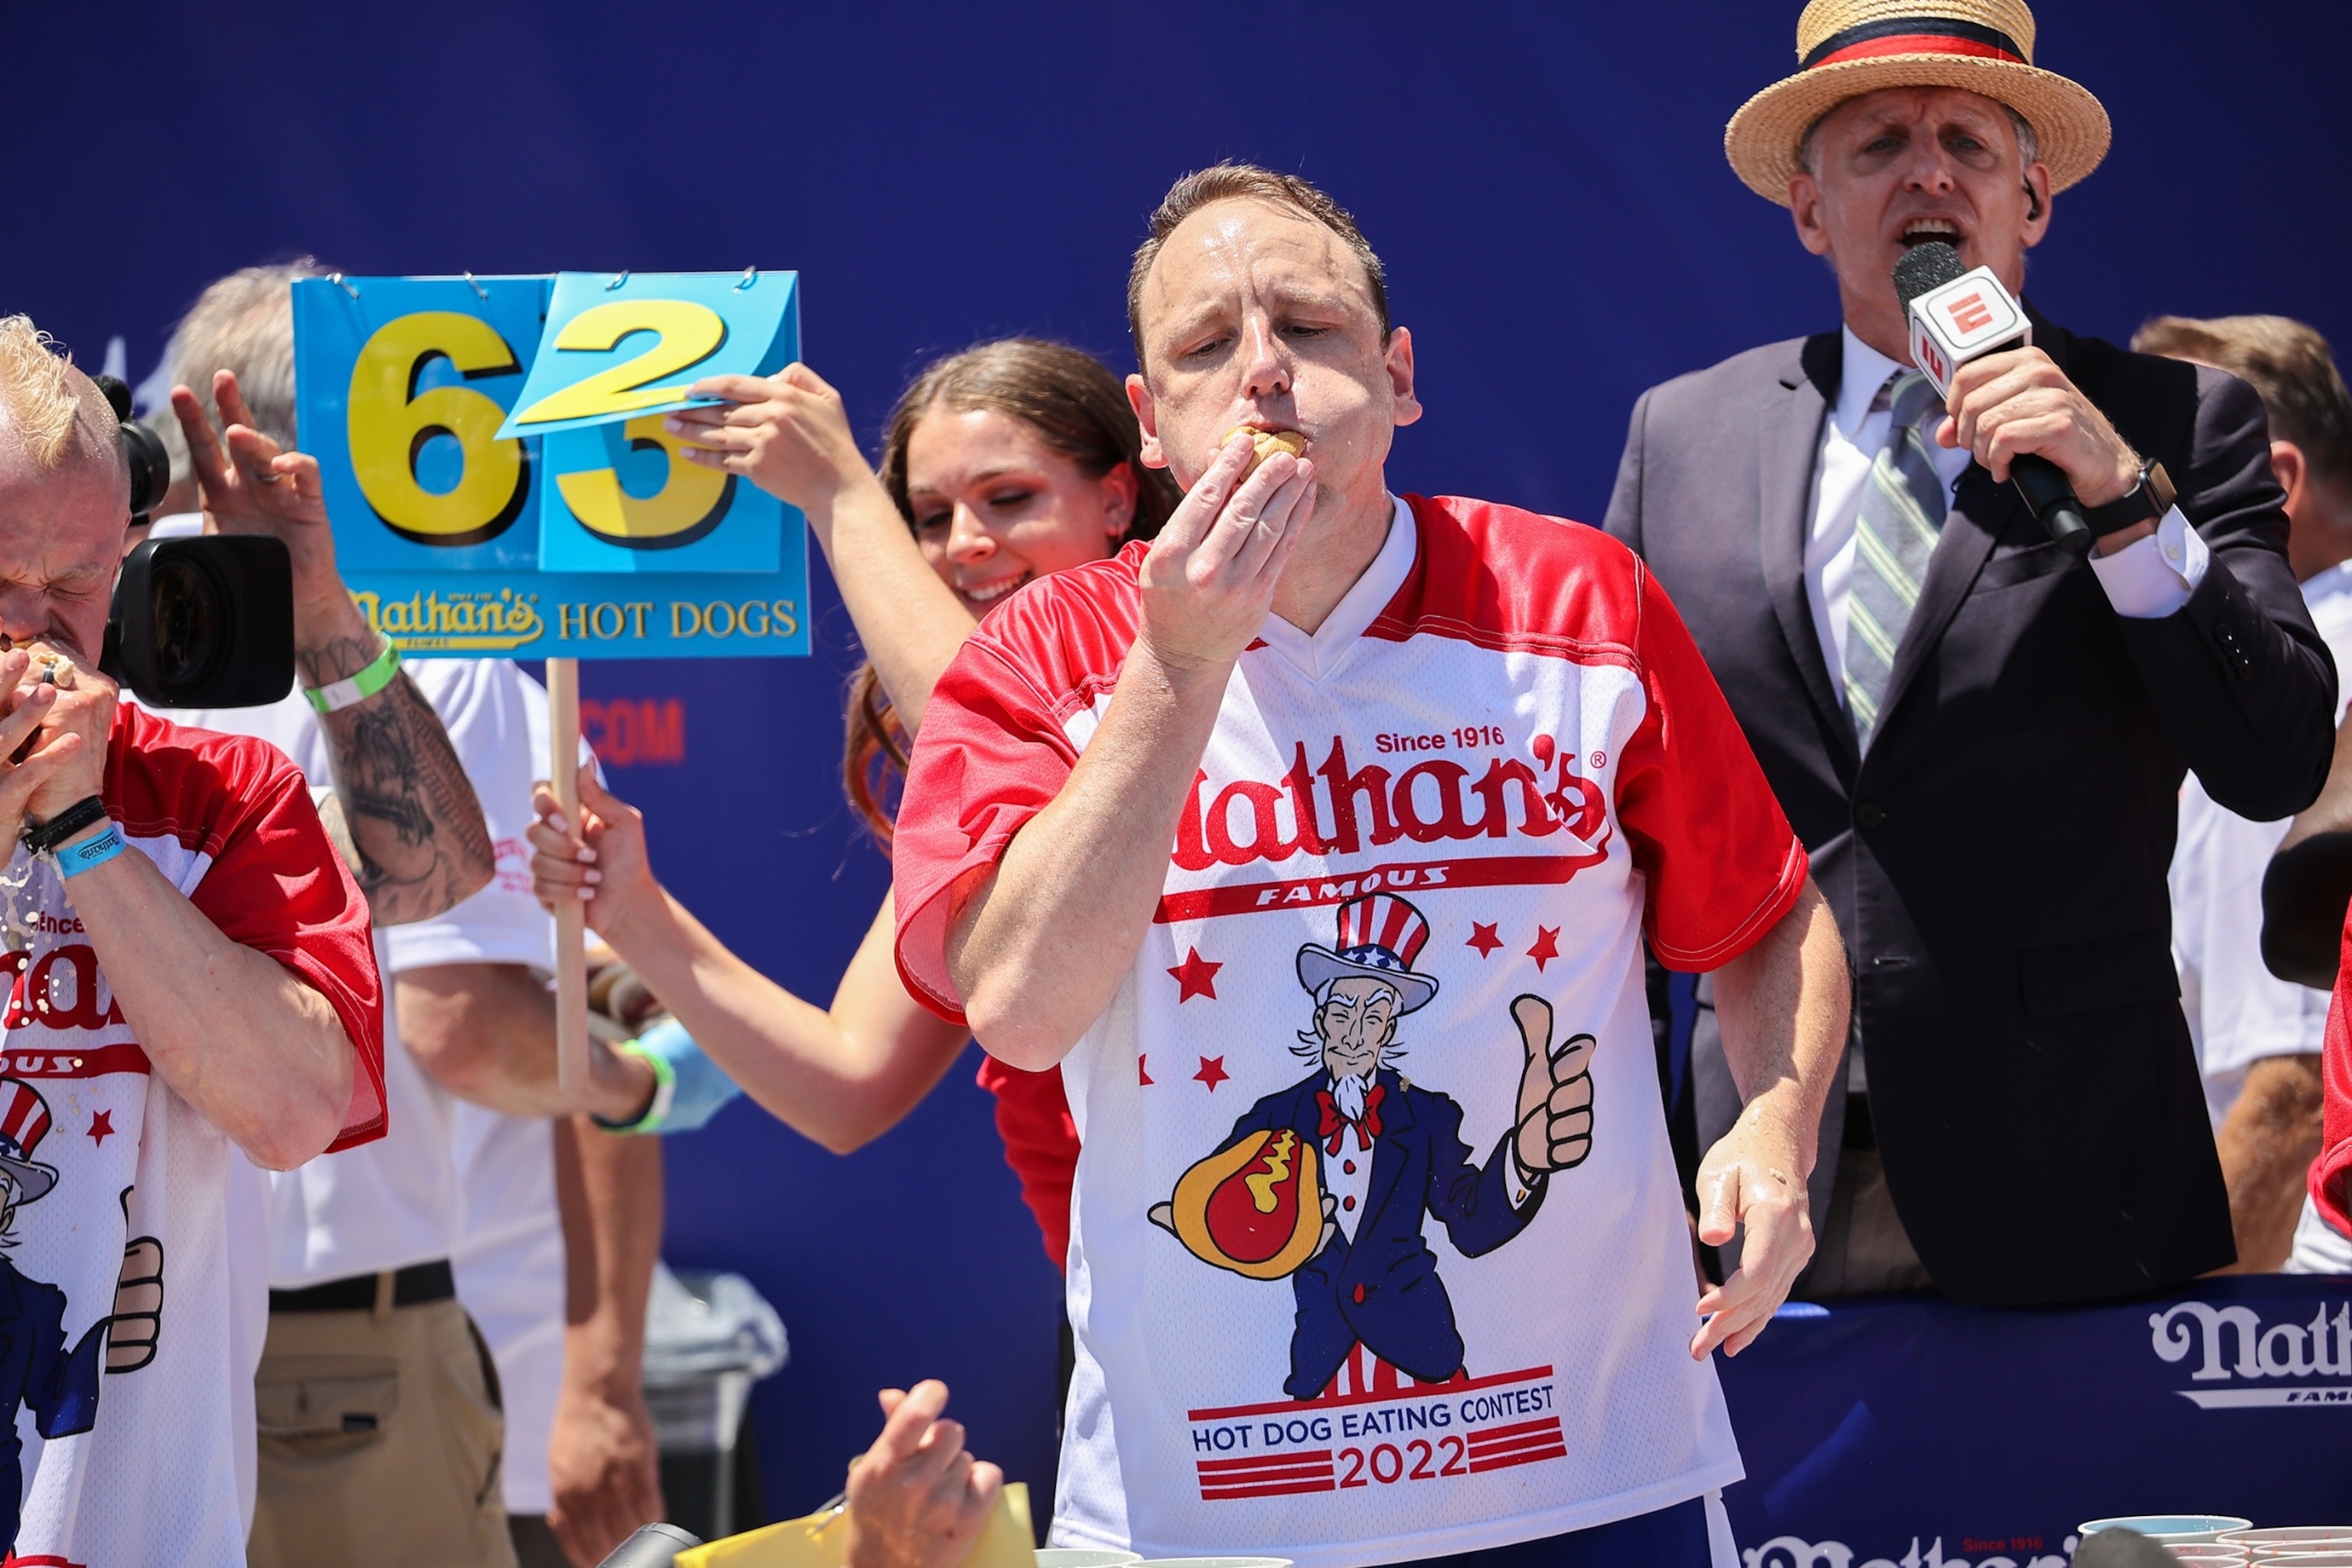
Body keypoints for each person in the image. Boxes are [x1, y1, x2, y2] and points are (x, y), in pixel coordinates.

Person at [887, 163, 1849, 1568]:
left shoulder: (1579, 600)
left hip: (1583, 1472)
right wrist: (1180, 667)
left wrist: (1771, 1124)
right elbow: (1021, 1011)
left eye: (1312, 327)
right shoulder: (1037, 656)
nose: (1264, 373)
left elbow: (1767, 911)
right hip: (1199, 1506)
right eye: (1207, 346)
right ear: (1150, 425)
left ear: (1398, 376)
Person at [1603, 0, 2337, 1306]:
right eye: (1879, 143)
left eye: (1968, 143)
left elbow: (2275, 757)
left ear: (2031, 200)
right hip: (1765, 1158)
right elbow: (1611, 791)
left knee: (2079, 1520)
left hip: (2068, 1159)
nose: (1928, 170)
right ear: (1810, 210)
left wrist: (2120, 497)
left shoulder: (2174, 418)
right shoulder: (1684, 436)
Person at [152, 263, 703, 1568]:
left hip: (109, 1314)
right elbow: (478, 1024)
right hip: (350, 1358)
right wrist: (637, 1082)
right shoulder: (425, 658)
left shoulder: (69, 637)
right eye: (419, 420)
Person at [531, 338, 1177, 1281]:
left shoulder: (1213, 690)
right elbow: (846, 1085)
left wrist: (840, 495)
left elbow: (999, 714)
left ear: (1117, 498)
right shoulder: (987, 800)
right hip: (1120, 1352)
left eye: (1009, 498)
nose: (965, 543)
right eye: (927, 515)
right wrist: (635, 914)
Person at [0, 313, 387, 1566]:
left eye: (72, 585)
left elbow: (291, 1111)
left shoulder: (231, 793)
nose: (32, 633)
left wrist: (83, 829)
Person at [2133, 315, 2352, 1272]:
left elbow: (2293, 1091)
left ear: (2277, 483)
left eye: (2151, 477)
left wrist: (2185, 1361)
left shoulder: (2289, 691)